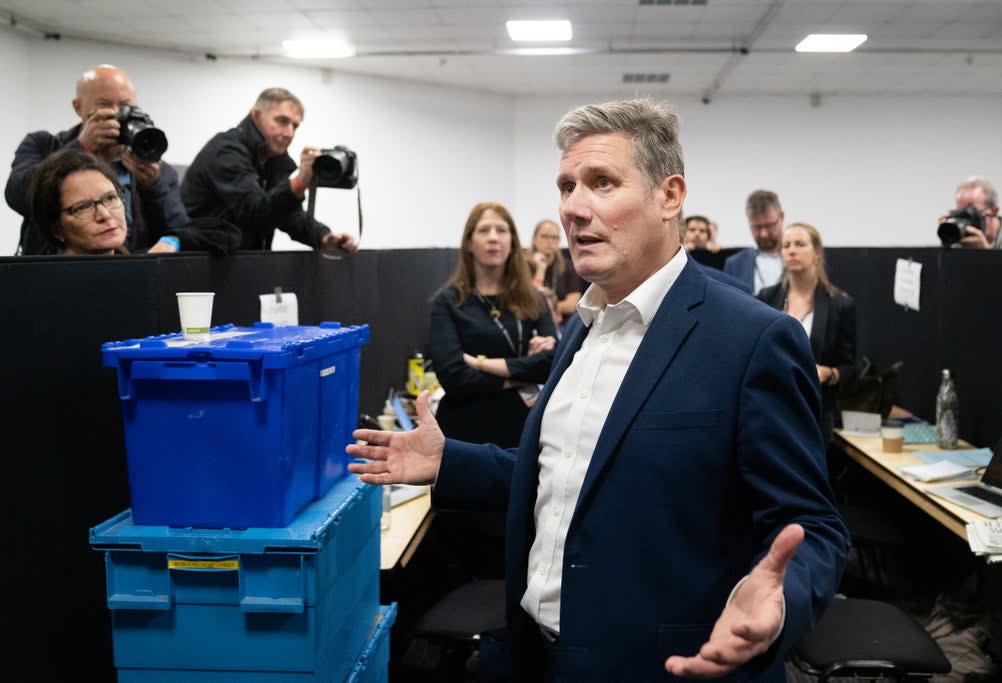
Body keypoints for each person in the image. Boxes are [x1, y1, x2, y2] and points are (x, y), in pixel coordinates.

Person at [349, 98, 849, 682]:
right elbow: (577, 479)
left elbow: (813, 525)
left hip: (663, 668)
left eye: (602, 183)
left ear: (670, 196)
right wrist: (448, 462)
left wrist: (780, 598)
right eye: (565, 187)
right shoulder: (583, 327)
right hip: (537, 656)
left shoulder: (754, 338)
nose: (574, 209)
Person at [6, 64, 188, 255]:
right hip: (54, 272)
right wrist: (81, 148)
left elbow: (180, 228)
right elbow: (17, 196)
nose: (117, 115)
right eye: (105, 105)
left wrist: (155, 187)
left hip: (131, 273)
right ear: (78, 107)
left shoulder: (151, 167)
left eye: (126, 106)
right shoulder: (43, 144)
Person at [429, 202, 557, 449]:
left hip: (522, 430)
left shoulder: (534, 298)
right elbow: (454, 378)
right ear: (469, 243)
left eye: (501, 230)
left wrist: (481, 364)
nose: (493, 238)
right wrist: (522, 375)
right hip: (464, 432)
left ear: (512, 242)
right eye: (484, 230)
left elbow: (553, 362)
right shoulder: (449, 302)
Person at [181, 88, 358, 252]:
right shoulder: (226, 152)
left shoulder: (273, 159)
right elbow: (253, 211)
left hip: (236, 265)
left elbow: (287, 215)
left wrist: (324, 237)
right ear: (256, 115)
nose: (289, 133)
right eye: (282, 121)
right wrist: (299, 182)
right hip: (199, 263)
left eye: (295, 126)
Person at [756, 223, 856, 446]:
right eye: (786, 245)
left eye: (800, 244)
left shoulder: (840, 304)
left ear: (817, 252)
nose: (791, 251)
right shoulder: (766, 298)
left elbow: (850, 368)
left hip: (814, 414)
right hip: (770, 410)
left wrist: (829, 373)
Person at [27, 148, 129, 256]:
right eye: (83, 207)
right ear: (56, 229)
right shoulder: (46, 273)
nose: (105, 215)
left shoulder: (141, 269)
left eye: (110, 198)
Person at [725, 190, 785, 294]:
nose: (763, 234)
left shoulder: (801, 257)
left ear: (781, 217)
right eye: (757, 227)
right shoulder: (734, 265)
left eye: (769, 225)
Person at [526, 218, 587, 320]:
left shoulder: (568, 266)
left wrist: (549, 309)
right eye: (545, 237)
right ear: (534, 239)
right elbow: (530, 302)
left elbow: (572, 304)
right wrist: (540, 270)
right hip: (532, 319)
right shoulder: (523, 266)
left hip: (562, 322)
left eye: (555, 238)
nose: (550, 242)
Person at [940, 176, 1002, 249]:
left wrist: (984, 254)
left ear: (994, 211)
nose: (965, 223)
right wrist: (946, 242)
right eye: (959, 215)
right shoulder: (959, 236)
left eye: (970, 215)